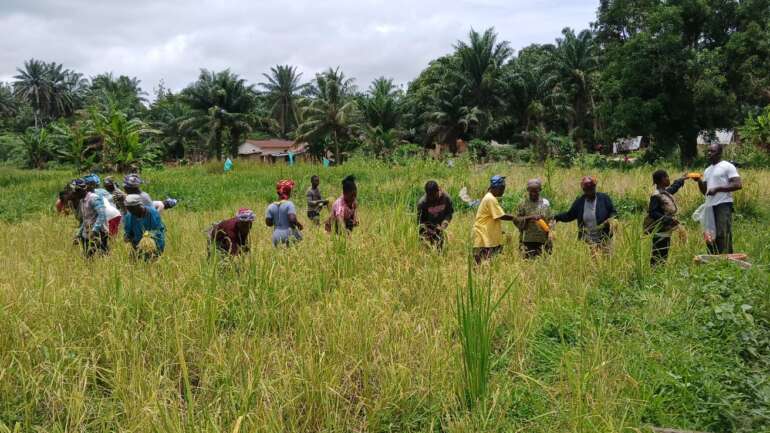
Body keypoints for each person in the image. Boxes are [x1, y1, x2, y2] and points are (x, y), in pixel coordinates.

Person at [698, 143, 742, 254]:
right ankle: (712, 258)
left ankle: (725, 259)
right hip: (710, 205)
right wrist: (698, 180)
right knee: (710, 234)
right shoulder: (707, 170)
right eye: (708, 151)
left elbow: (737, 184)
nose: (709, 153)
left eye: (712, 151)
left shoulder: (727, 166)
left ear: (720, 153)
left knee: (723, 233)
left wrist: (718, 189)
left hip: (723, 204)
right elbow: (705, 191)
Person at [554, 176, 617, 253]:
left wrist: (612, 220)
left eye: (591, 188)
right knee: (589, 263)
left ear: (595, 187)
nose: (589, 191)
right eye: (587, 190)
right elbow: (569, 215)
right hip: (587, 242)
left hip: (604, 239)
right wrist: (556, 217)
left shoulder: (604, 198)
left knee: (606, 261)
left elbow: (613, 211)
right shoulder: (580, 202)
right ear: (583, 190)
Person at [645, 170, 688, 265]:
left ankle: (658, 272)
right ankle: (655, 273)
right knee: (658, 253)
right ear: (662, 180)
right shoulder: (656, 195)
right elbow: (652, 212)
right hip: (659, 230)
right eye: (667, 177)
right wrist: (668, 219)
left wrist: (681, 179)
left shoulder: (664, 192)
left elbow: (673, 188)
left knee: (663, 253)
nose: (669, 179)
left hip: (665, 230)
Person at [473, 175, 515, 264]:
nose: (503, 191)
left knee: (488, 263)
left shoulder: (489, 197)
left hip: (488, 236)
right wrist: (516, 218)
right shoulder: (490, 199)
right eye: (502, 188)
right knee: (483, 264)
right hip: (484, 237)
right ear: (495, 188)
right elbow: (500, 216)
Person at [513, 178, 553, 258]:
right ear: (528, 190)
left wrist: (550, 231)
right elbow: (516, 220)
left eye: (536, 191)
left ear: (540, 190)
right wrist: (529, 218)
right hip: (527, 240)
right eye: (531, 191)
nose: (533, 193)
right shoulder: (523, 204)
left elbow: (551, 219)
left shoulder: (545, 203)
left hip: (543, 240)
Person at [73, 178, 109, 257]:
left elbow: (102, 215)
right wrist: (78, 234)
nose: (74, 194)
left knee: (103, 256)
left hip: (98, 233)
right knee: (87, 258)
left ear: (79, 191)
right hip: (86, 234)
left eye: (75, 192)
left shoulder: (94, 198)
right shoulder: (82, 201)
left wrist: (95, 230)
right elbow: (85, 220)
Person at [123, 194, 166, 259]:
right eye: (129, 209)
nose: (131, 211)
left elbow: (158, 230)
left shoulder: (152, 213)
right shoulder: (129, 216)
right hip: (137, 246)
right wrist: (127, 237)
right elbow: (128, 231)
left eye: (132, 209)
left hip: (154, 245)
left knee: (151, 262)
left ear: (139, 205)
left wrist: (148, 235)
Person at [416, 180, 454, 250]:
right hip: (426, 231)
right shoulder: (422, 203)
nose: (432, 199)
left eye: (434, 196)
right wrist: (429, 231)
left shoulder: (446, 198)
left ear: (438, 190)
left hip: (439, 229)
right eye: (430, 197)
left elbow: (449, 213)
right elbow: (420, 223)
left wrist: (444, 224)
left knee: (440, 250)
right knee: (426, 251)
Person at [266, 180, 303, 246]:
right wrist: (299, 225)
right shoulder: (289, 204)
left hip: (276, 235)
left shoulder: (271, 206)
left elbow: (268, 223)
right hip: (288, 233)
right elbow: (292, 219)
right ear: (288, 192)